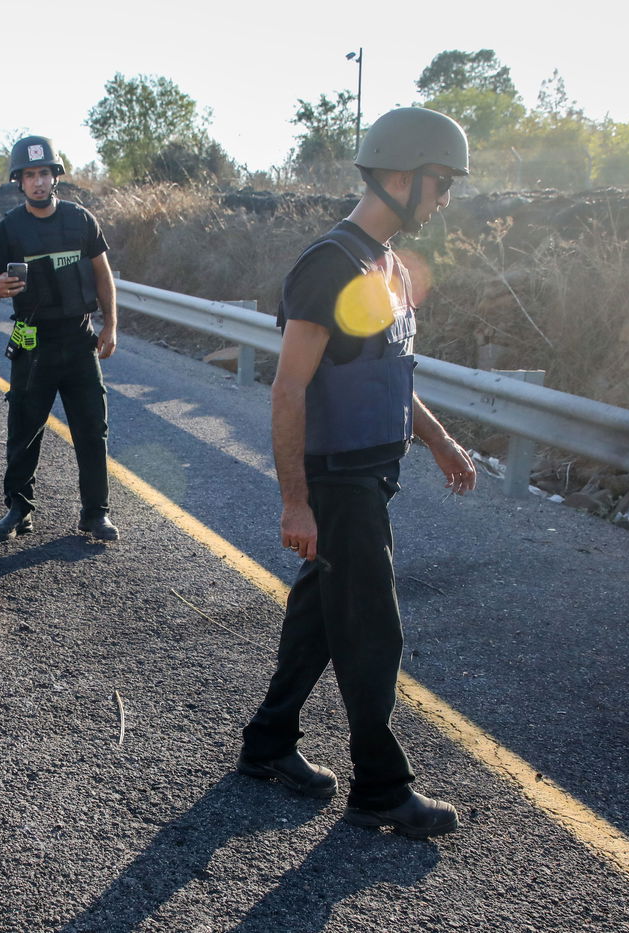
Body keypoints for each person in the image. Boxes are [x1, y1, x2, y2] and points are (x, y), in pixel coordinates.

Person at [236, 107, 477, 839]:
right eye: (440, 184)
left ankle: (269, 742)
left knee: (316, 619)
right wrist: (296, 503)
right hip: (337, 483)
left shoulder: (389, 264)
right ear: (401, 178)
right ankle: (381, 786)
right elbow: (289, 389)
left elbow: (390, 373)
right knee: (372, 630)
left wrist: (436, 439)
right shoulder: (329, 264)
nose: (444, 200)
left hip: (374, 474)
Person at [0, 135, 120, 542]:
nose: (37, 182)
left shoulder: (80, 220)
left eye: (44, 173)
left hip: (79, 339)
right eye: (29, 175)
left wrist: (110, 325)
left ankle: (96, 513)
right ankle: (19, 510)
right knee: (24, 429)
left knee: (93, 428)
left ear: (55, 177)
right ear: (18, 182)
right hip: (32, 343)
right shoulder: (8, 229)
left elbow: (102, 275)